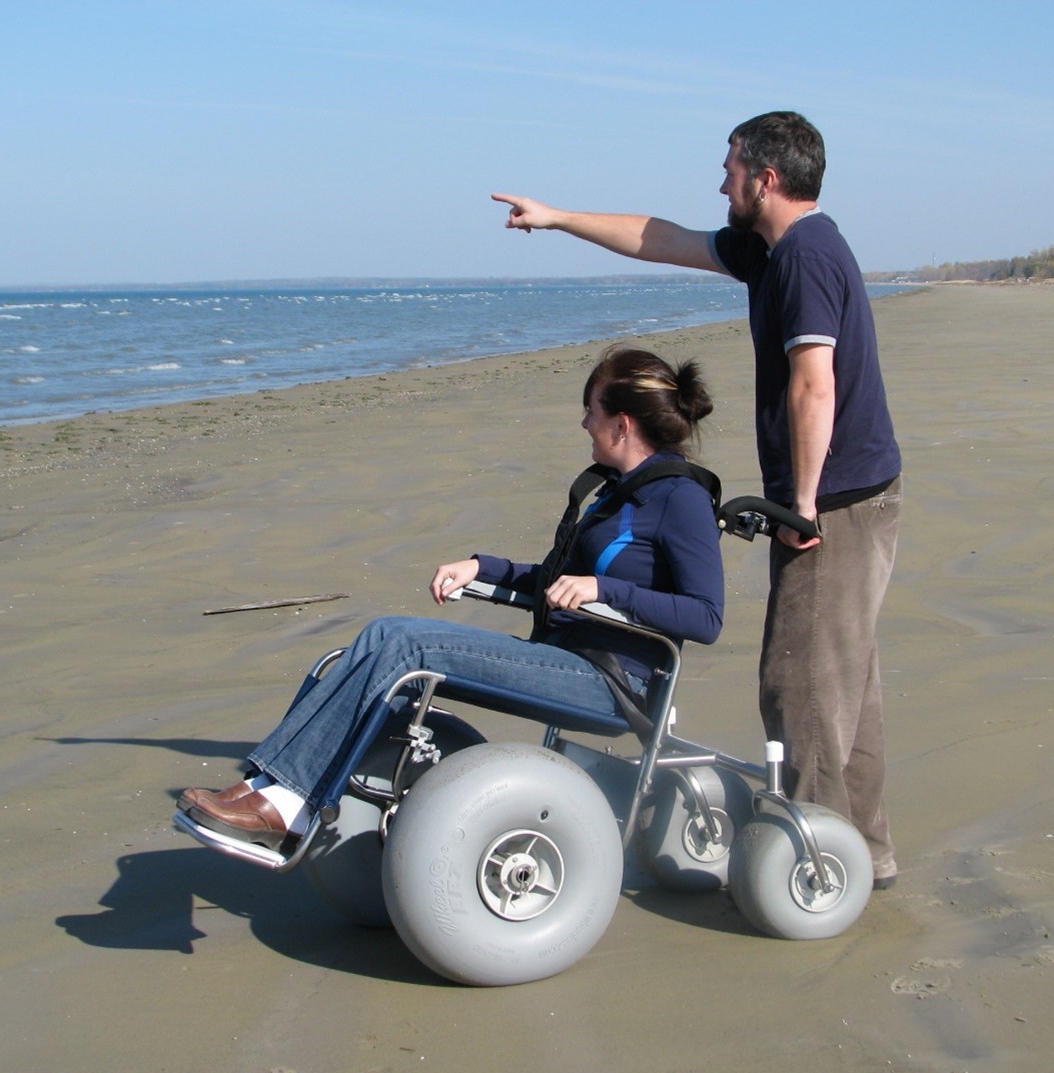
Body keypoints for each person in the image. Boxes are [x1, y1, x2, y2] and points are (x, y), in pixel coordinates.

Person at [491, 110, 901, 888]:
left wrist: (803, 504)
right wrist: (558, 218)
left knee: (802, 684)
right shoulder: (771, 251)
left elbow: (817, 381)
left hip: (839, 501)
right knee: (849, 681)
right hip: (859, 493)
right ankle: (863, 854)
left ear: (766, 178)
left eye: (731, 167)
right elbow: (662, 237)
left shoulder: (807, 257)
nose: (722, 181)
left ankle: (820, 869)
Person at [179, 347, 724, 853]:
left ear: (622, 424)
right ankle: (269, 785)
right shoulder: (615, 494)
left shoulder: (682, 498)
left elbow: (706, 616)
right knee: (384, 633)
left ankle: (288, 801)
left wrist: (608, 590)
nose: (584, 423)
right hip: (565, 658)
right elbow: (559, 582)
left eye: (590, 411)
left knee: (406, 642)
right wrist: (481, 568)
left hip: (611, 683)